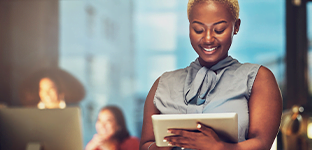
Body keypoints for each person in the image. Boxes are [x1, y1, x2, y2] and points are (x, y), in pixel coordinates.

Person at [140, 0, 283, 150]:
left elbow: (261, 143)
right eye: (198, 30)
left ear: (236, 27)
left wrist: (219, 147)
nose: (208, 39)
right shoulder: (163, 84)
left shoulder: (258, 79)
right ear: (189, 27)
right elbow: (145, 145)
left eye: (219, 30)